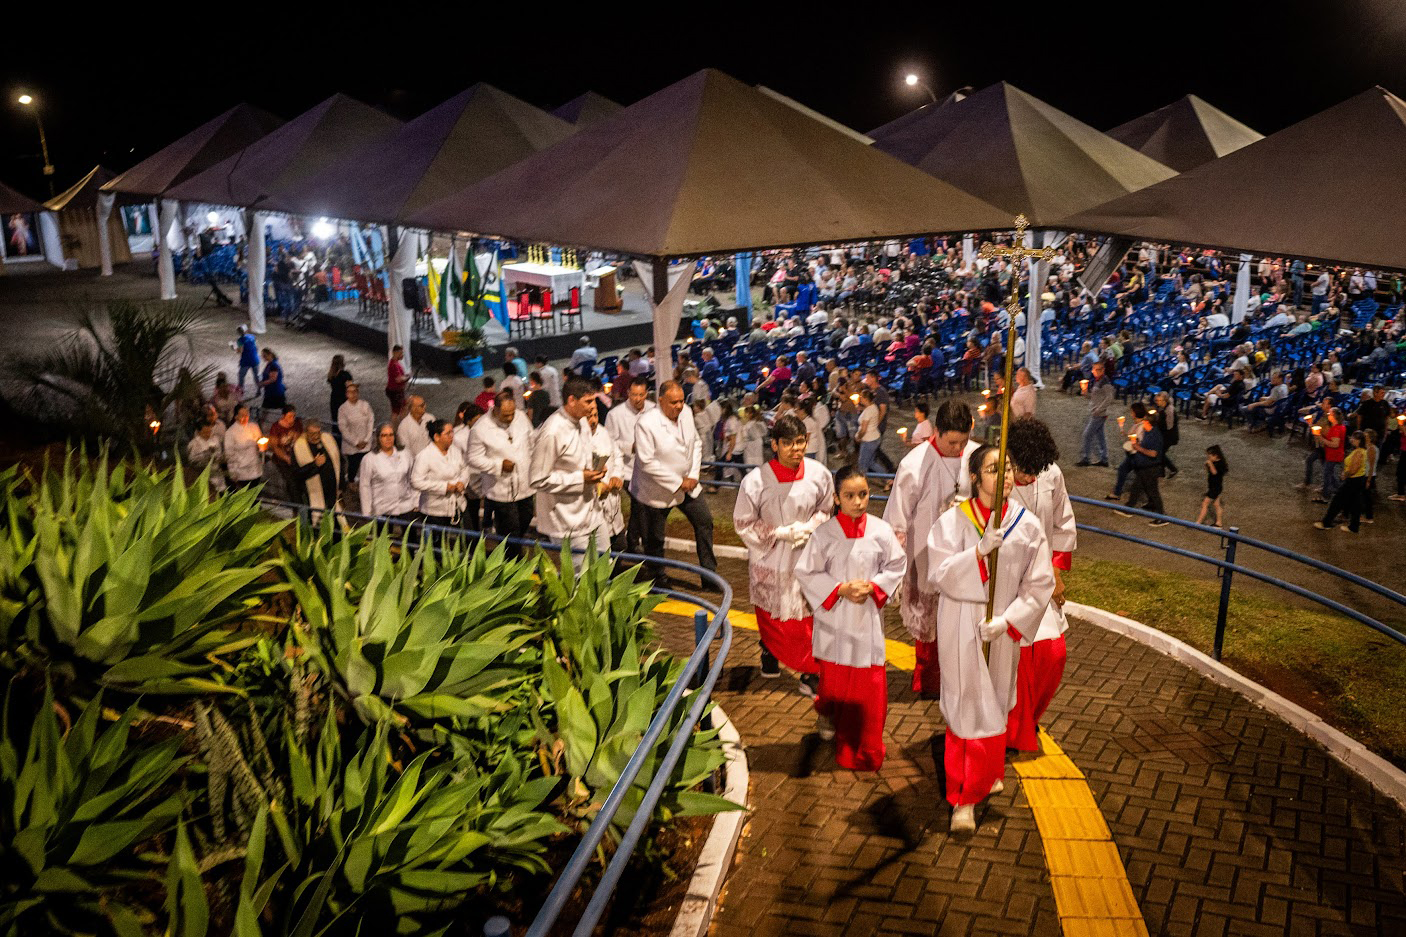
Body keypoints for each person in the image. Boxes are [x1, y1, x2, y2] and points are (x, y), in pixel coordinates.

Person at [927, 444, 1053, 833]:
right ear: (976, 477)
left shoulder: (1027, 525)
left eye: (1009, 468)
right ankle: (962, 796)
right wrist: (978, 555)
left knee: (997, 699)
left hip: (1001, 628)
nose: (1005, 476)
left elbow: (1039, 582)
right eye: (994, 469)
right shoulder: (953, 522)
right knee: (967, 705)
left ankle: (988, 772)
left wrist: (1010, 621)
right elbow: (939, 574)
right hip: (962, 623)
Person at [794, 465, 906, 770]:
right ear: (836, 498)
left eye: (864, 494)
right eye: (850, 495)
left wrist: (874, 586)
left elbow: (897, 564)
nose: (858, 502)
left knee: (870, 690)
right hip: (835, 621)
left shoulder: (881, 531)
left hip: (867, 620)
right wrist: (840, 588)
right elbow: (806, 572)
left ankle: (867, 748)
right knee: (835, 687)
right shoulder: (824, 534)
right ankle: (829, 714)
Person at [882, 400, 980, 696]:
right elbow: (897, 518)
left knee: (963, 620)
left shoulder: (976, 457)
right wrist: (894, 566)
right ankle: (928, 680)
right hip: (925, 553)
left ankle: (962, 677)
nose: (957, 449)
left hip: (966, 552)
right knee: (929, 625)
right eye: (951, 442)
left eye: (963, 441)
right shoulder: (914, 464)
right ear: (936, 432)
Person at [734, 415, 835, 687]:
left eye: (800, 442)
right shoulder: (755, 481)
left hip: (806, 554)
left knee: (806, 618)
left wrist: (811, 526)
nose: (796, 448)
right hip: (771, 557)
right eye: (788, 443)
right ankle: (770, 651)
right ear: (775, 445)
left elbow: (826, 509)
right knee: (774, 618)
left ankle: (808, 671)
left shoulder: (819, 474)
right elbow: (743, 522)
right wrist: (778, 533)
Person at [1003, 418, 1076, 753]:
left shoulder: (1052, 474)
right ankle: (1010, 729)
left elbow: (1063, 523)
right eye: (1022, 471)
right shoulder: (996, 477)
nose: (1029, 478)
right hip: (1005, 581)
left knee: (1052, 654)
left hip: (1041, 578)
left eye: (1035, 471)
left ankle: (1029, 718)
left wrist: (1056, 572)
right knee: (1015, 661)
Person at [632, 380, 716, 588]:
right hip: (657, 490)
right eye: (673, 402)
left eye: (681, 401)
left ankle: (709, 576)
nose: (679, 406)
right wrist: (678, 482)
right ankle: (657, 578)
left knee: (704, 522)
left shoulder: (686, 412)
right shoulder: (646, 423)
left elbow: (696, 443)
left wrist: (694, 475)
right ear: (660, 401)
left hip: (689, 485)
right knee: (655, 538)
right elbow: (646, 462)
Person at [531, 377, 610, 554]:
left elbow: (583, 456)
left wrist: (596, 469)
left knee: (606, 566)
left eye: (593, 400)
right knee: (581, 575)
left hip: (593, 512)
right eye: (588, 401)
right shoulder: (552, 432)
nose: (592, 406)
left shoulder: (582, 421)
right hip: (566, 521)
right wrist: (581, 478)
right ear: (571, 400)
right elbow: (538, 479)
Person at [466, 390, 534, 554]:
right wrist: (498, 465)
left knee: (526, 518)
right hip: (501, 490)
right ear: (495, 410)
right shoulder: (480, 428)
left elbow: (531, 441)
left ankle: (510, 554)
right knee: (510, 531)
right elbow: (473, 458)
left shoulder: (521, 417)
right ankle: (512, 563)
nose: (510, 418)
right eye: (505, 415)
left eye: (512, 414)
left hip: (525, 485)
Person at [605, 377, 656, 554]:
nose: (637, 399)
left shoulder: (654, 410)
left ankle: (632, 541)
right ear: (628, 394)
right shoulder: (615, 415)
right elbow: (609, 443)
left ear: (646, 394)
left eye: (641, 395)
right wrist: (631, 447)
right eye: (634, 395)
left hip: (648, 469)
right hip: (626, 470)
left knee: (639, 506)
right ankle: (643, 546)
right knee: (640, 504)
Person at [586, 398, 628, 551]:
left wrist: (616, 475)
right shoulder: (576, 439)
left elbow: (617, 456)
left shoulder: (604, 433)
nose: (593, 421)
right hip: (592, 510)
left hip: (613, 506)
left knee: (619, 547)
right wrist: (596, 487)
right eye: (589, 417)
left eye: (595, 416)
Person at [1115, 404, 1167, 525]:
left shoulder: (1154, 435)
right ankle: (1129, 508)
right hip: (1144, 466)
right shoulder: (1149, 432)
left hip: (1151, 467)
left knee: (1153, 492)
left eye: (1144, 421)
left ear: (1148, 423)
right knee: (1136, 487)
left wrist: (1138, 448)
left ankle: (1162, 517)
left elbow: (1154, 453)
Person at [411, 419, 468, 529]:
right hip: (434, 511)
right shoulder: (424, 456)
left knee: (468, 541)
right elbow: (416, 482)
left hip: (458, 505)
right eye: (448, 433)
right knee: (436, 544)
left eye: (452, 432)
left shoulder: (455, 450)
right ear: (436, 437)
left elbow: (465, 469)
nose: (452, 436)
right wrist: (444, 487)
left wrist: (462, 482)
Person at [359, 423, 419, 522]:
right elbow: (365, 486)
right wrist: (367, 512)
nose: (388, 438)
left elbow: (412, 479)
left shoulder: (405, 454)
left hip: (405, 505)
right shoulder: (369, 459)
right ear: (378, 438)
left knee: (410, 536)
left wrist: (415, 501)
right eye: (384, 435)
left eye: (391, 435)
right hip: (382, 509)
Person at [1315, 431, 1368, 533]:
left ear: (1359, 441)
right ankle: (1354, 526)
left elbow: (1354, 469)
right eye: (1352, 437)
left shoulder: (1358, 452)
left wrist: (1345, 475)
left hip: (1353, 481)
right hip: (1358, 480)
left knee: (1337, 501)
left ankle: (1326, 522)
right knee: (1355, 503)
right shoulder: (1361, 451)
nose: (1352, 439)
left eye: (1354, 438)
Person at [293, 420, 341, 524]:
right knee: (318, 524)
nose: (316, 436)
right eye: (312, 433)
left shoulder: (327, 440)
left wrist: (341, 485)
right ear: (306, 433)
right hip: (313, 494)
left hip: (332, 492)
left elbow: (339, 460)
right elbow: (296, 474)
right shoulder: (299, 446)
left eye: (318, 433)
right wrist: (314, 464)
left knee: (335, 521)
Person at [1075, 361, 1113, 467]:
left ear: (1102, 370)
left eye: (1095, 369)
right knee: (1100, 436)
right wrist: (1086, 393)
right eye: (1093, 369)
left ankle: (1085, 458)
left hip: (1099, 414)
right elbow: (1095, 397)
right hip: (1098, 412)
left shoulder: (1105, 382)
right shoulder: (1098, 381)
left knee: (1087, 435)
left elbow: (1109, 397)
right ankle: (1104, 459)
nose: (1093, 371)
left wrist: (1099, 410)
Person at [336, 382, 375, 484]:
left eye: (354, 392)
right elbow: (343, 428)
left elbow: (370, 422)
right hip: (352, 445)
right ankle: (351, 481)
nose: (352, 394)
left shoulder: (365, 405)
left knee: (366, 464)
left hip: (365, 442)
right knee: (353, 465)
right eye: (350, 392)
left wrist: (366, 439)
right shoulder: (343, 409)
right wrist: (356, 442)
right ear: (346, 394)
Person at [266, 405, 304, 501]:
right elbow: (275, 447)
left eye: (293, 416)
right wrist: (286, 458)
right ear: (283, 416)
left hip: (296, 455)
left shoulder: (297, 424)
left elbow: (302, 437)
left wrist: (296, 437)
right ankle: (296, 504)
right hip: (282, 458)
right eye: (289, 416)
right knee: (291, 481)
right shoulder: (276, 427)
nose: (292, 419)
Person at [224, 405, 265, 491]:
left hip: (256, 468)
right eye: (242, 415)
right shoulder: (230, 432)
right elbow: (229, 454)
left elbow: (260, 443)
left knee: (256, 494)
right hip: (242, 471)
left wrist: (261, 446)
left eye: (247, 415)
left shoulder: (254, 426)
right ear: (236, 416)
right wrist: (233, 473)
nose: (245, 417)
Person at [187, 419, 226, 492]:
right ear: (198, 432)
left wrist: (219, 458)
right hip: (203, 476)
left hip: (218, 476)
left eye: (209, 431)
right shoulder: (194, 444)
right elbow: (192, 461)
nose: (208, 434)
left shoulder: (215, 439)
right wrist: (206, 457)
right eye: (205, 432)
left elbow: (220, 454)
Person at [1195, 446, 1228, 528]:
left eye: (1210, 456)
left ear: (1216, 456)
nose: (1208, 458)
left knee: (1205, 503)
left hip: (1215, 488)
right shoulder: (1216, 462)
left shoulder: (1220, 464)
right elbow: (1210, 472)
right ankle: (1219, 523)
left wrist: (1210, 463)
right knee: (1217, 505)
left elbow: (1214, 473)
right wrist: (1208, 465)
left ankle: (1198, 523)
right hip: (1215, 487)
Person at [855, 389, 882, 475]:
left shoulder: (868, 412)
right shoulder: (873, 407)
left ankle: (862, 484)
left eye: (861, 397)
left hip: (868, 441)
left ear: (866, 399)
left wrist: (858, 437)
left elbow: (863, 429)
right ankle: (888, 479)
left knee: (862, 465)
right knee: (871, 463)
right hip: (875, 438)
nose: (860, 399)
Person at [233, 326, 260, 394]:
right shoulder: (252, 336)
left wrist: (234, 349)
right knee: (256, 376)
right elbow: (257, 347)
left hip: (246, 360)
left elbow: (240, 351)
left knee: (241, 376)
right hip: (255, 359)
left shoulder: (240, 340)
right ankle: (259, 389)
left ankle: (241, 390)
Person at [326, 355, 353, 425]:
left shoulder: (331, 375)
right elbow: (350, 388)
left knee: (335, 419)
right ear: (342, 363)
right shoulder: (345, 375)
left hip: (334, 400)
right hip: (343, 400)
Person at [386, 345, 410, 418]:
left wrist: (405, 376)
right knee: (397, 412)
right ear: (396, 353)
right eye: (401, 353)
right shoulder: (394, 365)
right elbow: (398, 379)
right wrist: (407, 377)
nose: (402, 355)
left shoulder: (395, 363)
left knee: (402, 408)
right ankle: (398, 426)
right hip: (395, 391)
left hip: (396, 391)